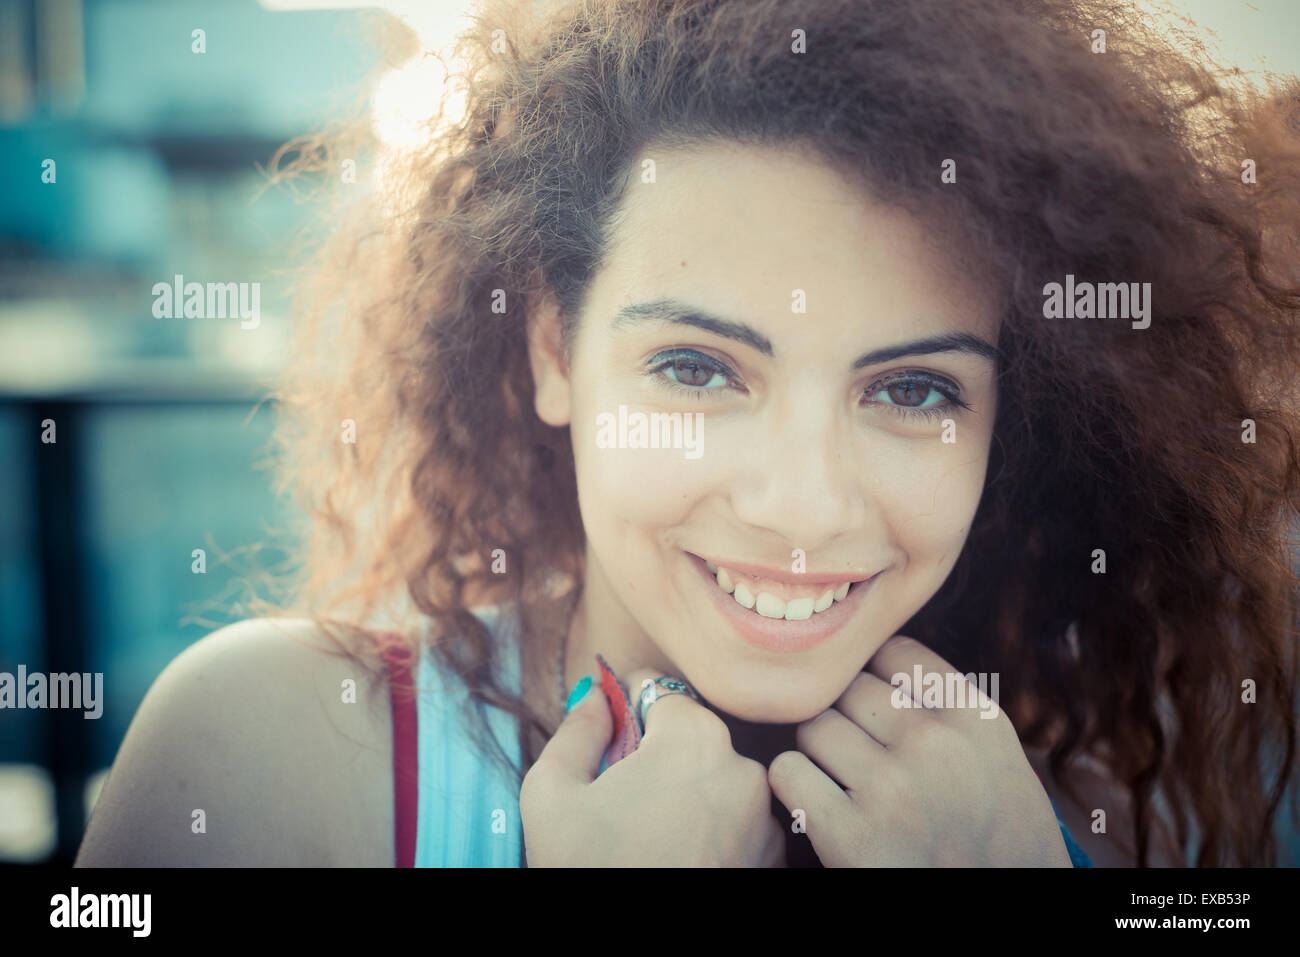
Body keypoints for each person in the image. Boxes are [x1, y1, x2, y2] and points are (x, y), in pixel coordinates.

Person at [77, 0, 1299, 868]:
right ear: (554, 350)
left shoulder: (1091, 824)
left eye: (914, 390)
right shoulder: (263, 757)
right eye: (697, 368)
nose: (803, 505)